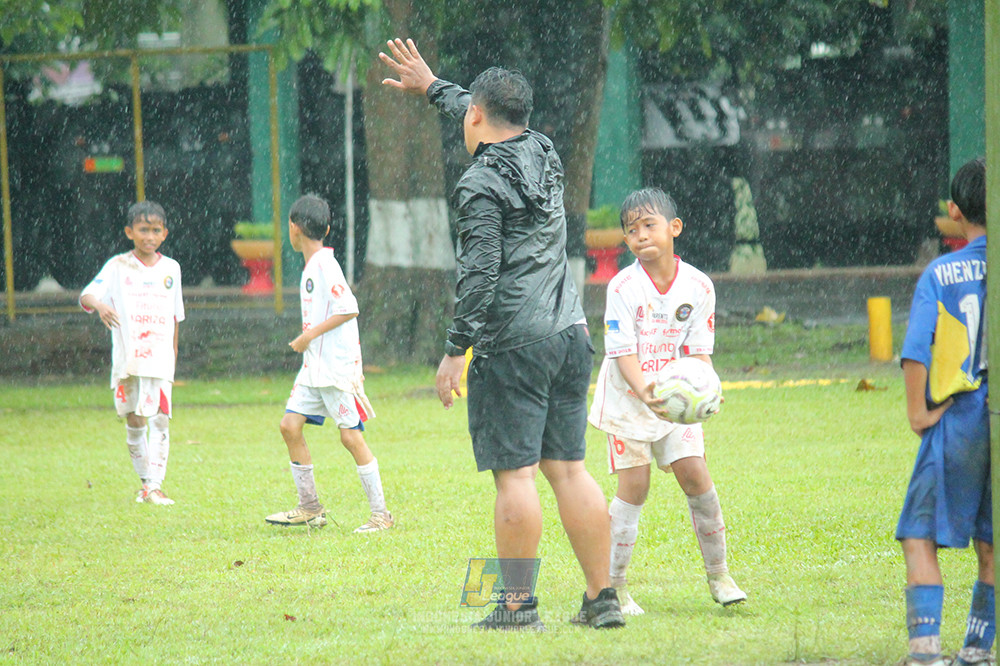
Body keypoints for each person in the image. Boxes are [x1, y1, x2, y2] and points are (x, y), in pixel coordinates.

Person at [379, 38, 624, 631]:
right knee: (568, 468)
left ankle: (517, 607)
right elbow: (487, 111)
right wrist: (435, 87)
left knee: (514, 475)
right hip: (569, 333)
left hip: (515, 343)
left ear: (476, 118)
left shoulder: (479, 183)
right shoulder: (542, 148)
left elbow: (482, 271)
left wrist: (453, 351)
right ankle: (602, 599)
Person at [588, 187, 747, 615]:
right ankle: (614, 587)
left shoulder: (699, 285)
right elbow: (622, 353)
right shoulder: (621, 286)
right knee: (634, 488)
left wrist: (706, 389)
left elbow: (698, 352)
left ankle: (720, 575)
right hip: (628, 400)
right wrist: (645, 394)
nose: (641, 236)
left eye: (649, 225)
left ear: (674, 228)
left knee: (696, 477)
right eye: (632, 230)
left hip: (675, 400)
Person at [896, 157, 989, 666]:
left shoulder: (942, 272)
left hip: (958, 420)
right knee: (991, 542)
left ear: (954, 212)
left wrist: (918, 413)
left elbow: (917, 350)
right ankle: (978, 647)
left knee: (919, 533)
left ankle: (926, 649)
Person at [264, 194, 393, 534]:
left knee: (350, 438)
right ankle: (310, 508)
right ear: (327, 228)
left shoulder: (324, 264)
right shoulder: (313, 265)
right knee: (290, 426)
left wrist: (308, 336)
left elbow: (348, 307)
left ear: (293, 228)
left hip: (335, 369)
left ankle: (381, 515)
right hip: (314, 369)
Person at [80, 200, 184, 505]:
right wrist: (100, 306)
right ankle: (144, 485)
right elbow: (87, 295)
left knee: (161, 419)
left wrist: (173, 359)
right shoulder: (117, 266)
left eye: (155, 230)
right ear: (130, 232)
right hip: (128, 360)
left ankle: (155, 485)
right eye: (142, 229)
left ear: (164, 233)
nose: (149, 236)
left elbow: (175, 318)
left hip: (160, 359)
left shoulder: (171, 269)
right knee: (135, 420)